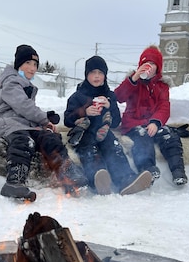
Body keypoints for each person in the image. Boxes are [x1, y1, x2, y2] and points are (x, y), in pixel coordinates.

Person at [0, 44, 88, 201]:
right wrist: (43, 118)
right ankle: (14, 181)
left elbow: (27, 110)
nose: (32, 68)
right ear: (18, 65)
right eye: (28, 63)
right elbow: (23, 105)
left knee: (50, 138)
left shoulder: (25, 84)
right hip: (8, 121)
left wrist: (45, 121)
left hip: (24, 123)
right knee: (24, 141)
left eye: (35, 64)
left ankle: (67, 171)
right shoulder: (11, 82)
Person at [64, 56, 153, 195]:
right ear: (87, 75)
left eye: (100, 73)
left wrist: (110, 106)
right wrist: (84, 112)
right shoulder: (78, 96)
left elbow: (116, 121)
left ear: (105, 75)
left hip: (104, 132)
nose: (97, 76)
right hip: (85, 133)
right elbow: (67, 119)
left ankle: (126, 180)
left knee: (114, 148)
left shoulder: (109, 95)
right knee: (90, 151)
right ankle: (98, 180)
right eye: (93, 72)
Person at [114, 45, 188, 186]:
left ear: (158, 68)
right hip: (134, 123)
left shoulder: (162, 86)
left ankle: (178, 171)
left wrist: (156, 122)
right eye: (146, 63)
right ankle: (147, 170)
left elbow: (164, 106)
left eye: (153, 64)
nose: (149, 66)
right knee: (142, 139)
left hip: (153, 123)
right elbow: (118, 96)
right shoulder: (133, 82)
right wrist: (134, 78)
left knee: (170, 136)